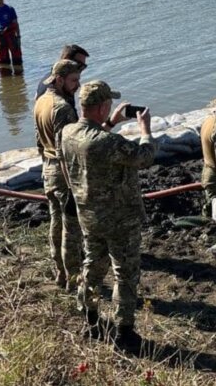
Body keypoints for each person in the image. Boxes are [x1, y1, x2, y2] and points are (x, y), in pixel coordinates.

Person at [60, 80, 157, 353]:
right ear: (102, 106)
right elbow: (145, 156)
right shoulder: (110, 143)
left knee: (93, 266)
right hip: (120, 219)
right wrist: (145, 129)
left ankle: (90, 319)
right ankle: (124, 333)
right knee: (125, 274)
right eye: (109, 104)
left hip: (88, 215)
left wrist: (111, 122)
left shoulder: (67, 133)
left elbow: (91, 144)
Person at [33, 59, 84, 291]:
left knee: (56, 222)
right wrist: (75, 185)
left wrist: (46, 165)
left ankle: (60, 273)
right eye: (74, 80)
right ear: (60, 79)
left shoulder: (41, 100)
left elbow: (39, 142)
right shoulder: (62, 108)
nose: (78, 86)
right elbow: (67, 150)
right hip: (64, 173)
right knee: (71, 228)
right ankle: (73, 277)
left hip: (48, 169)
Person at [0, 0, 23, 71]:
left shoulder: (10, 9)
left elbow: (15, 23)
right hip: (0, 37)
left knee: (17, 59)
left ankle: (19, 79)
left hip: (11, 35)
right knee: (4, 61)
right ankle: (6, 77)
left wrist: (18, 36)